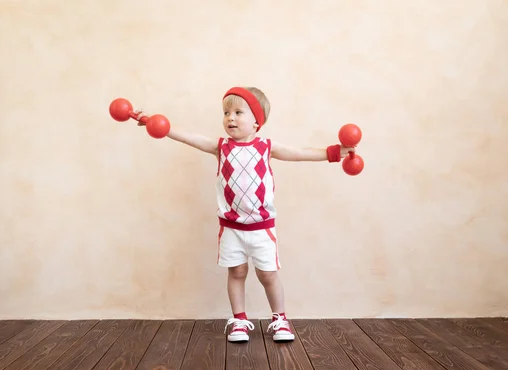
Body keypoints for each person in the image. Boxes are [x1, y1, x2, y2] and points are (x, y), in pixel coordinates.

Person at [137, 86, 355, 342]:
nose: (230, 117)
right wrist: (155, 123)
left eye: (238, 112)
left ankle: (280, 319)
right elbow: (189, 137)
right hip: (231, 228)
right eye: (226, 112)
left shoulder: (266, 147)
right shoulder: (220, 147)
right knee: (237, 272)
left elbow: (301, 153)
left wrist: (334, 153)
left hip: (262, 228)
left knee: (268, 274)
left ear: (256, 122)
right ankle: (240, 320)